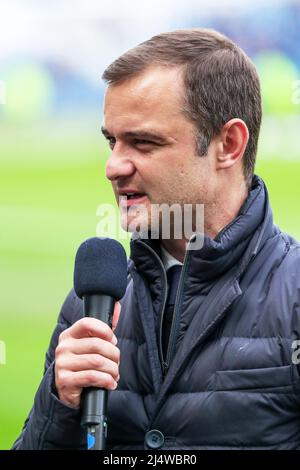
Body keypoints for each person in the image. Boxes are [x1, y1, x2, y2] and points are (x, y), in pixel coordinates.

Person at [13, 28, 300, 450]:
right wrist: (60, 405)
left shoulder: (292, 294)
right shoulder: (93, 304)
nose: (113, 167)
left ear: (229, 144)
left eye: (143, 142)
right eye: (112, 141)